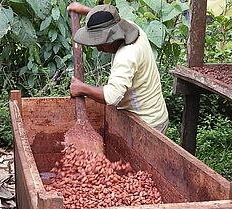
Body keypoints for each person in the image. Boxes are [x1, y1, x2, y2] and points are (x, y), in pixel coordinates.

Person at [67, 3, 169, 134]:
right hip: (153, 115)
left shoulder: (126, 56)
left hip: (148, 124)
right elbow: (110, 19)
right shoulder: (131, 27)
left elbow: (112, 96)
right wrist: (86, 11)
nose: (99, 49)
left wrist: (82, 88)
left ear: (114, 37)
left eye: (101, 42)